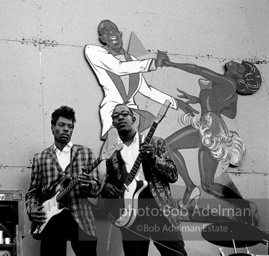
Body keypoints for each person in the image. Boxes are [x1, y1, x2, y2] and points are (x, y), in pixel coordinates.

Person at [160, 52, 261, 222]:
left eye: (240, 66)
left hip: (208, 126)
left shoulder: (228, 82)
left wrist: (171, 64)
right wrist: (202, 99)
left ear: (239, 76)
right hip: (213, 128)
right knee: (207, 185)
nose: (235, 62)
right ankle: (245, 206)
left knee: (167, 145)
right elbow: (231, 113)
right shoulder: (230, 90)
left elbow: (199, 69)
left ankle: (190, 188)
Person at [84, 20, 197, 152]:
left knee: (131, 151)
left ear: (120, 34)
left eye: (113, 29)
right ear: (102, 38)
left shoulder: (132, 60)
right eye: (105, 31)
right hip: (113, 112)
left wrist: (176, 102)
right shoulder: (93, 51)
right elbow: (118, 68)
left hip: (132, 113)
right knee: (114, 150)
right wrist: (153, 63)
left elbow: (146, 90)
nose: (111, 33)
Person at [101, 103, 187, 256]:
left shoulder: (155, 142)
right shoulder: (113, 156)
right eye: (115, 116)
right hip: (130, 217)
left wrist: (153, 159)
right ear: (113, 123)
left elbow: (173, 175)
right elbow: (112, 187)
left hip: (159, 211)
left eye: (124, 114)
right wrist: (106, 187)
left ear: (133, 118)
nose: (120, 117)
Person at [25, 106, 100, 256]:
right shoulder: (40, 158)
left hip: (82, 217)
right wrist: (32, 208)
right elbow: (33, 192)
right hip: (51, 219)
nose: (66, 129)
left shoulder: (86, 153)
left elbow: (96, 188)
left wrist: (87, 184)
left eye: (70, 126)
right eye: (61, 125)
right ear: (53, 127)